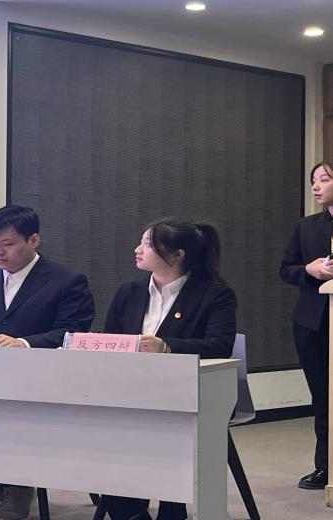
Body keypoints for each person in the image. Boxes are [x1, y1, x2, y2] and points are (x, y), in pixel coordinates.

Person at [0, 205, 95, 520]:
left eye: (8, 244)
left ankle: (18, 486)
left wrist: (25, 343)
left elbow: (73, 333)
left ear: (34, 240)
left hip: (44, 382)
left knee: (17, 413)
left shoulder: (67, 281)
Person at [101, 218, 237, 520]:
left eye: (148, 244)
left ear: (176, 255)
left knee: (154, 432)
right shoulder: (129, 292)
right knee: (98, 439)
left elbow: (219, 346)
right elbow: (110, 342)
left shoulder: (214, 294)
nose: (137, 250)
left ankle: (172, 507)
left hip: (183, 396)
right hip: (126, 394)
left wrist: (166, 346)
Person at [280, 160, 333, 491]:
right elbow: (285, 268)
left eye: (324, 179)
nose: (315, 186)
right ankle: (326, 466)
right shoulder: (307, 226)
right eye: (314, 180)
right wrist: (309, 270)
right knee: (322, 396)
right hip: (312, 321)